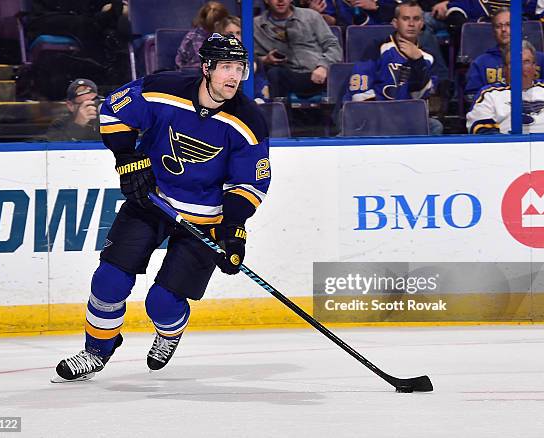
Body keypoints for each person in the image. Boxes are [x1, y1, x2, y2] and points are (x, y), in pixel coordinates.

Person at [52, 34, 271, 382]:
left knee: (162, 303)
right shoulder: (162, 88)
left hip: (204, 219)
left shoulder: (248, 122)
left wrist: (234, 231)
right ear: (207, 68)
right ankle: (96, 351)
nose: (234, 76)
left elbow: (249, 184)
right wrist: (128, 159)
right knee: (109, 280)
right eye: (226, 67)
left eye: (240, 68)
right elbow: (113, 110)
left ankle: (169, 334)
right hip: (151, 201)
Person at [342, 1, 443, 133]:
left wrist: (417, 61)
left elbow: (419, 95)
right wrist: (380, 117)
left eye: (416, 19)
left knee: (435, 126)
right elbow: (361, 85)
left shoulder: (428, 57)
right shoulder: (377, 47)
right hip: (373, 114)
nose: (411, 24)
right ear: (395, 23)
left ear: (422, 24)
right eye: (405, 19)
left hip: (405, 116)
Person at [466, 41, 544, 134]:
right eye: (513, 63)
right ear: (504, 69)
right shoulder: (489, 94)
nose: (520, 67)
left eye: (526, 62)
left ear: (535, 67)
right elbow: (481, 129)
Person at [465, 7, 544, 99]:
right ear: (493, 32)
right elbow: (472, 96)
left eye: (508, 25)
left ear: (520, 28)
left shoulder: (541, 59)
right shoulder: (481, 62)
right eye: (498, 26)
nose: (503, 30)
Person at [254, 0, 343, 98]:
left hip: (317, 74)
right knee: (274, 74)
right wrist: (265, 60)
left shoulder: (311, 16)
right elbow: (250, 59)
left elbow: (333, 46)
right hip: (285, 76)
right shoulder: (255, 25)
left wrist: (323, 66)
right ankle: (278, 110)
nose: (281, 0)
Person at [176, 1, 230, 69]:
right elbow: (180, 61)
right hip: (195, 73)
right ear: (217, 24)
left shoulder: (227, 35)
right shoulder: (193, 37)